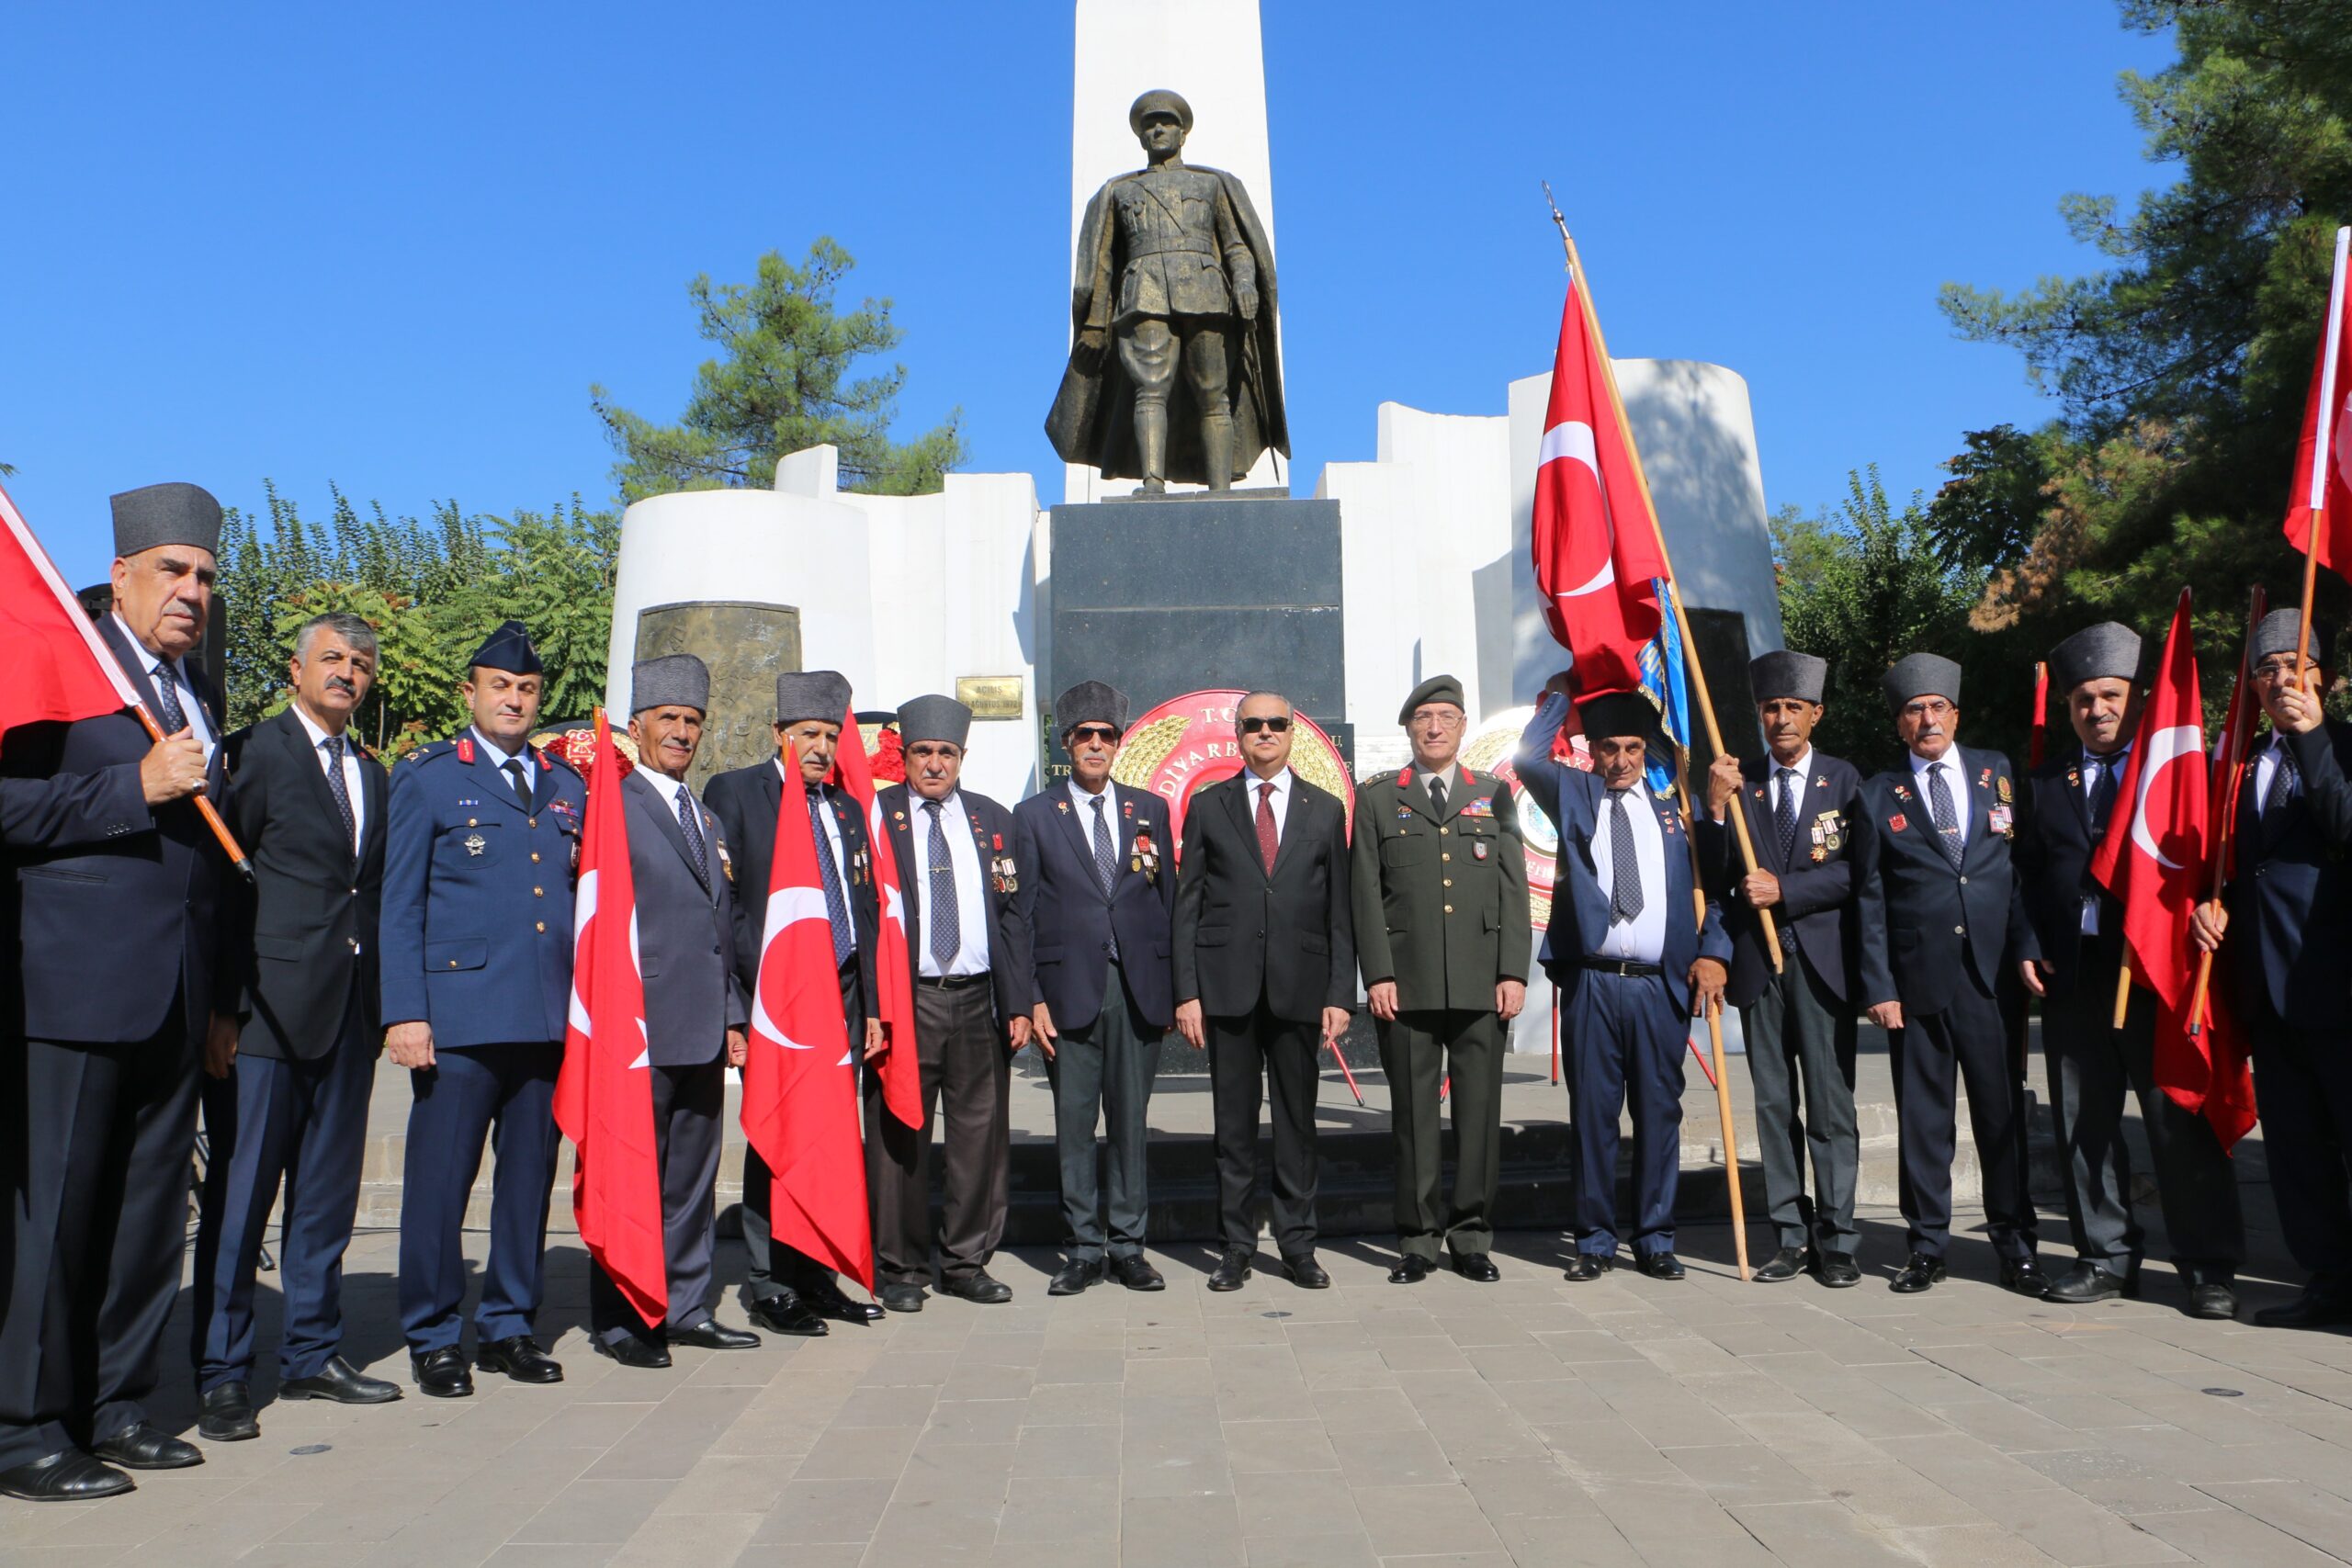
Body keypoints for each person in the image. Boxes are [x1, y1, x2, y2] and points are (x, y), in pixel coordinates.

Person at [0, 483, 239, 1500]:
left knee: (147, 1217)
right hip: (72, 988)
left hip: (176, 998)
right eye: (173, 572)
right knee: (54, 1218)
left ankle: (118, 1406)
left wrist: (221, 996)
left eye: (206, 578)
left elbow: (209, 871)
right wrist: (127, 787)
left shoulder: (198, 696)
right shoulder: (61, 674)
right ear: (122, 577)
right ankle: (24, 1430)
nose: (190, 593)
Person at [191, 613, 401, 1444]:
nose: (347, 673)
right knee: (241, 1205)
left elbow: (367, 890)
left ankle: (312, 1353)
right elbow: (220, 886)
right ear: (297, 668)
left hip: (349, 1015)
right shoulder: (255, 755)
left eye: (359, 663)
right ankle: (221, 1372)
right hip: (266, 1017)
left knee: (324, 1202)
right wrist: (220, 1006)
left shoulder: (373, 773)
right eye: (333, 659)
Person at [379, 621, 584, 1397]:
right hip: (458, 1017)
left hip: (542, 1017)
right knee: (440, 1182)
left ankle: (508, 1324)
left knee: (528, 1179)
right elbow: (399, 905)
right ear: (470, 693)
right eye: (500, 686)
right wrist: (405, 1011)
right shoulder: (431, 776)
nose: (515, 699)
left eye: (527, 689)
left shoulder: (568, 785)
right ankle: (433, 1333)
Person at [2018, 623, 2245, 1319]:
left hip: (2156, 972)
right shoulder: (2044, 782)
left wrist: (2220, 906)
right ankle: (2105, 1256)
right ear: (2069, 709)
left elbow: (2217, 859)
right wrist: (2028, 941)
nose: (2098, 709)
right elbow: (2024, 871)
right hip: (2075, 976)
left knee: (2177, 1121)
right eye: (2084, 699)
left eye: (2111, 695)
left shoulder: (2178, 776)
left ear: (2138, 697)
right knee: (2085, 1124)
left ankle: (2207, 1267)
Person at [1517, 685, 1728, 1281]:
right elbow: (1528, 758)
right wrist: (1559, 703)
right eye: (1609, 747)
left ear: (1646, 750)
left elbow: (1712, 888)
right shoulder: (1577, 792)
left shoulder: (1673, 808)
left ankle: (1656, 1236)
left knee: (1660, 1113)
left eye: (1633, 747)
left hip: (1660, 987)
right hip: (1594, 984)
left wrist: (1714, 952)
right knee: (1593, 1115)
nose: (1621, 759)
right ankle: (1594, 1239)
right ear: (1593, 749)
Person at [1852, 653, 2044, 1295]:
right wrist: (1877, 985)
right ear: (1900, 723)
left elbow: (2014, 874)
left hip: (1991, 978)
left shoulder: (1997, 771)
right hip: (1916, 982)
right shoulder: (1879, 793)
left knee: (2001, 1116)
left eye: (1937, 707)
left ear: (1955, 714)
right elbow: (1870, 896)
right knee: (1924, 1120)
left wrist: (2025, 945)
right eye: (1914, 709)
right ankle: (1927, 1246)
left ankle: (2016, 1245)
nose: (1927, 718)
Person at [591, 655, 763, 1367]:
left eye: (693, 721)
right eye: (669, 719)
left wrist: (732, 1013)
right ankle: (625, 1318)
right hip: (639, 1023)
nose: (683, 732)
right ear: (637, 727)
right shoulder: (615, 806)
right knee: (632, 1173)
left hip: (700, 1024)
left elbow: (718, 929)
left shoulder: (707, 816)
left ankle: (686, 1304)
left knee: (692, 1180)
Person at [704, 671, 886, 1334]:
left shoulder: (841, 806)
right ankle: (769, 1280)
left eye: (831, 736)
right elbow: (727, 910)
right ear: (780, 733)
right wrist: (740, 1003)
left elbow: (862, 909)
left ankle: (819, 1275)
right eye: (808, 733)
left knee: (833, 1136)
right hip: (774, 1000)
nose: (820, 746)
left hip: (840, 994)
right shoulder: (738, 793)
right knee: (779, 1131)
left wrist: (870, 1004)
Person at [2191, 610, 2352, 1328]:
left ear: (2327, 676)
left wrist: (2314, 734)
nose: (2281, 678)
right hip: (2265, 987)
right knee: (2296, 1153)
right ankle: (2327, 1284)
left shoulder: (2343, 744)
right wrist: (2210, 904)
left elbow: (2345, 824)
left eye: (2295, 664)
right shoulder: (2240, 762)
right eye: (2267, 669)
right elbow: (2229, 862)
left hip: (2336, 980)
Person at [1173, 691, 1354, 1292]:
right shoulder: (1208, 806)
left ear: (1293, 732)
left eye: (1277, 723)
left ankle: (1299, 1244)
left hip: (1300, 989)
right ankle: (1235, 1246)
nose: (1266, 733)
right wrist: (1187, 992)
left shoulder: (1325, 810)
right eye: (1254, 725)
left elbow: (1339, 914)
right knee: (1234, 1128)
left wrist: (1338, 993)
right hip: (1226, 992)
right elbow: (1188, 906)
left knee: (1298, 1126)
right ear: (1238, 733)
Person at [1351, 674, 1530, 1284]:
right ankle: (1419, 1240)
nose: (1434, 727)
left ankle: (1472, 1236)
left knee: (1478, 1115)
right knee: (1414, 1119)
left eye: (1446, 717)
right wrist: (1377, 972)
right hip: (1408, 984)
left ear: (1461, 727)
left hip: (1482, 984)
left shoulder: (1493, 794)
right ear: (1409, 727)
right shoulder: (1377, 799)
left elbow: (1513, 888)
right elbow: (1366, 896)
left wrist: (1512, 971)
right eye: (1423, 717)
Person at [1699, 651, 1864, 1288]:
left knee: (1831, 1107)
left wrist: (1785, 890)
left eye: (1794, 707)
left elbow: (1857, 872)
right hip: (1757, 968)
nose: (1781, 718)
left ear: (1815, 713)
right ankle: (1790, 1237)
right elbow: (1708, 880)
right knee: (1774, 1105)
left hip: (1823, 968)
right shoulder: (1740, 786)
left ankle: (1840, 1238)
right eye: (1771, 707)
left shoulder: (1844, 782)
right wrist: (1714, 812)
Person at [867, 695, 1034, 1311]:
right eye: (923, 752)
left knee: (978, 1137)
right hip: (907, 999)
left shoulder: (993, 819)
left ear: (962, 756)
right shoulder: (877, 814)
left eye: (946, 753)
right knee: (899, 1136)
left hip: (977, 998)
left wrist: (1017, 1001)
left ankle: (966, 1261)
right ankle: (903, 1268)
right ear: (904, 756)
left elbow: (1014, 917)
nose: (935, 764)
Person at [1013, 682, 1176, 1296]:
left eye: (1106, 735)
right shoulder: (1034, 815)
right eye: (1084, 735)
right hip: (1066, 994)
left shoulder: (1149, 809)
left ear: (1118, 742)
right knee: (1075, 1125)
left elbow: (1168, 900)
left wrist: (1174, 989)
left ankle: (1129, 1245)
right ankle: (1083, 1246)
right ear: (1067, 744)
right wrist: (1030, 998)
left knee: (1131, 1123)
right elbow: (1021, 914)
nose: (1096, 745)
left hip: (1136, 990)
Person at [1047, 87, 1286, 492]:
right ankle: (1152, 482)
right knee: (1149, 388)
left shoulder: (1213, 185)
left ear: (1182, 133)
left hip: (1208, 294)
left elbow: (1236, 246)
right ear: (1141, 138)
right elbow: (1103, 264)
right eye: (1150, 125)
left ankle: (1220, 489)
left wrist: (1245, 283)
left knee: (1214, 392)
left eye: (1166, 123)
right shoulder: (1119, 191)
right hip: (1143, 294)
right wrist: (1093, 322)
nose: (1158, 130)